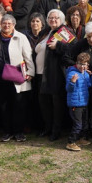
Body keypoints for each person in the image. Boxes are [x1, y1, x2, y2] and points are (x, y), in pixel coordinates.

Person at [0, 14, 35, 142]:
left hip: (17, 77)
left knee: (19, 105)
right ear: (0, 24)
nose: (6, 25)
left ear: (14, 25)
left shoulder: (21, 37)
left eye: (9, 23)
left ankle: (19, 132)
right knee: (4, 106)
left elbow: (28, 56)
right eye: (4, 23)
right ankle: (7, 131)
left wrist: (30, 72)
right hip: (0, 77)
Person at [35, 9, 75, 141]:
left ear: (61, 20)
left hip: (55, 74)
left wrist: (58, 46)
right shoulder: (46, 32)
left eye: (56, 18)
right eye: (50, 18)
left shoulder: (65, 32)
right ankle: (47, 128)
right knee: (44, 103)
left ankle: (56, 131)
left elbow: (72, 50)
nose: (53, 20)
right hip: (41, 73)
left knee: (56, 104)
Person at [65, 52, 92, 151]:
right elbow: (68, 89)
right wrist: (72, 82)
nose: (82, 66)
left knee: (84, 123)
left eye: (84, 64)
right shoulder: (72, 73)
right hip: (75, 103)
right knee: (78, 124)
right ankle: (71, 142)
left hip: (84, 102)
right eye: (80, 64)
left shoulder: (85, 74)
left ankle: (80, 139)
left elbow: (89, 84)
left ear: (87, 65)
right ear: (76, 63)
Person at [23, 12, 49, 133]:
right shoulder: (25, 35)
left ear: (42, 24)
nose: (35, 23)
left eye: (37, 21)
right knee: (28, 98)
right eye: (33, 21)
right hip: (27, 70)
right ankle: (29, 124)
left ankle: (41, 125)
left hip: (40, 72)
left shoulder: (45, 36)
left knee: (41, 99)